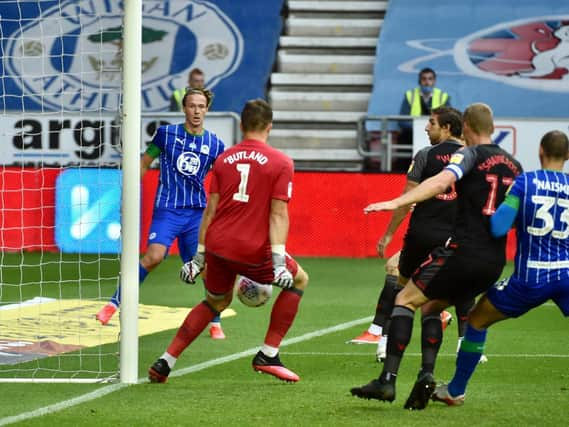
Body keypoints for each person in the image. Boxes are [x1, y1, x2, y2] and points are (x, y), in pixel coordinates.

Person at [350, 103, 523, 409]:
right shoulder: (514, 165)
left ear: (465, 125)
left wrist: (397, 201)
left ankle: (387, 380)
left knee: (404, 299)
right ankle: (427, 376)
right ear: (493, 126)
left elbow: (441, 182)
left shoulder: (467, 153)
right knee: (432, 307)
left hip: (461, 251)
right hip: (494, 262)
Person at [148, 98, 309, 384]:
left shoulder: (224, 159)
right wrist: (278, 263)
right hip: (251, 248)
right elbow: (278, 214)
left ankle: (164, 362)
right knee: (300, 281)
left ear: (241, 125)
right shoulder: (282, 162)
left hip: (218, 246)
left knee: (216, 300)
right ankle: (268, 354)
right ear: (269, 127)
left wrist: (199, 257)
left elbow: (210, 210)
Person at [432, 130, 569, 406]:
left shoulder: (524, 183)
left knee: (478, 319)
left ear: (540, 151)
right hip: (566, 274)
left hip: (531, 277)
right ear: (567, 156)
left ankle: (456, 390)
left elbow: (498, 227)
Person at [96, 87, 228, 340]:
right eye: (192, 106)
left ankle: (215, 322)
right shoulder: (166, 135)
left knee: (204, 268)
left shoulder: (215, 144)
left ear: (207, 109)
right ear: (184, 108)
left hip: (196, 215)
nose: (197, 111)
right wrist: (129, 194)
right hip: (167, 209)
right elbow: (144, 162)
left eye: (201, 106)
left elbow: (223, 178)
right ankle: (113, 304)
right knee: (154, 256)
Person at [349, 107, 464, 349]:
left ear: (446, 127)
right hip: (458, 238)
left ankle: (381, 336)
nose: (426, 127)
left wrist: (389, 233)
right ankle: (463, 340)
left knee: (397, 274)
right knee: (460, 285)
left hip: (427, 234)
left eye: (431, 123)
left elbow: (408, 198)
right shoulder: (472, 158)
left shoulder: (426, 155)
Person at [395, 68, 451, 171]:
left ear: (434, 81)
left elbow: (449, 120)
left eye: (430, 79)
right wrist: (420, 128)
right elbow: (402, 121)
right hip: (411, 136)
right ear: (419, 81)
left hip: (436, 137)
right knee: (402, 138)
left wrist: (432, 130)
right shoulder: (410, 95)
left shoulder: (443, 97)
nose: (427, 82)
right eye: (424, 79)